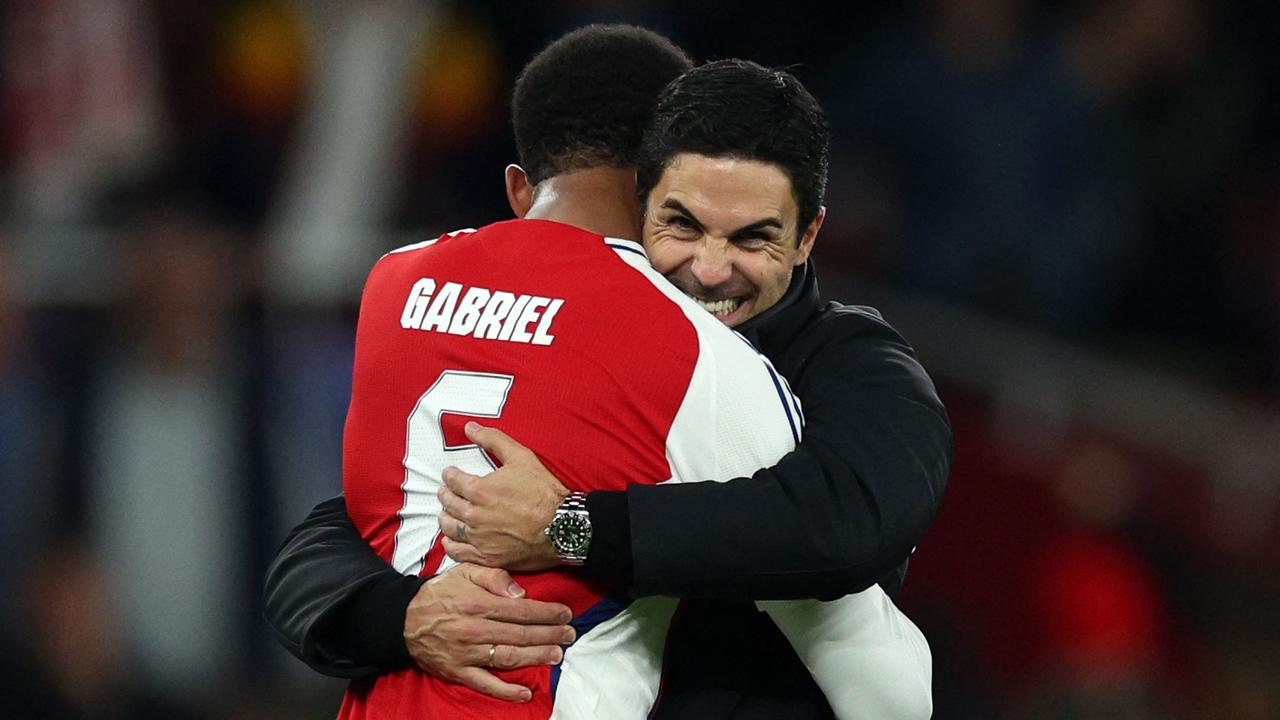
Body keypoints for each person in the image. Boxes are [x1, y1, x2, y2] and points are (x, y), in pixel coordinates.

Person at [266, 28, 951, 720]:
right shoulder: (640, 343)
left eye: (752, 236)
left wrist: (569, 527)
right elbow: (332, 541)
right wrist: (405, 615)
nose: (710, 269)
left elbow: (837, 530)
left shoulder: (856, 369)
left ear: (807, 238)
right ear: (647, 194)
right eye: (682, 224)